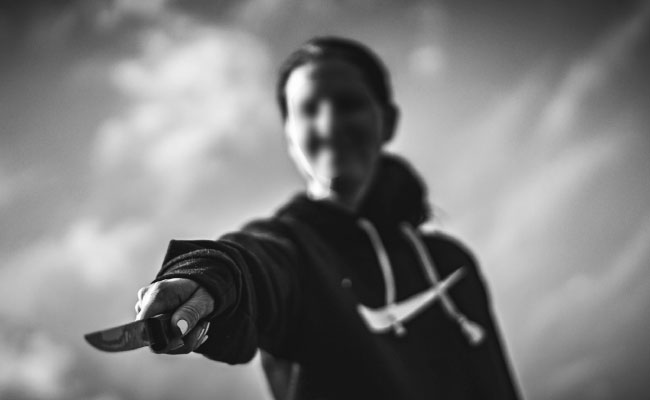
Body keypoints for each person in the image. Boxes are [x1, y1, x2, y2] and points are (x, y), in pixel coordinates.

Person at [134, 36, 521, 400]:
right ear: (289, 137)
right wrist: (210, 277)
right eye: (308, 110)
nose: (329, 124)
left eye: (348, 104)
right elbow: (256, 264)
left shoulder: (450, 262)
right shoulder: (291, 250)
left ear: (387, 121)